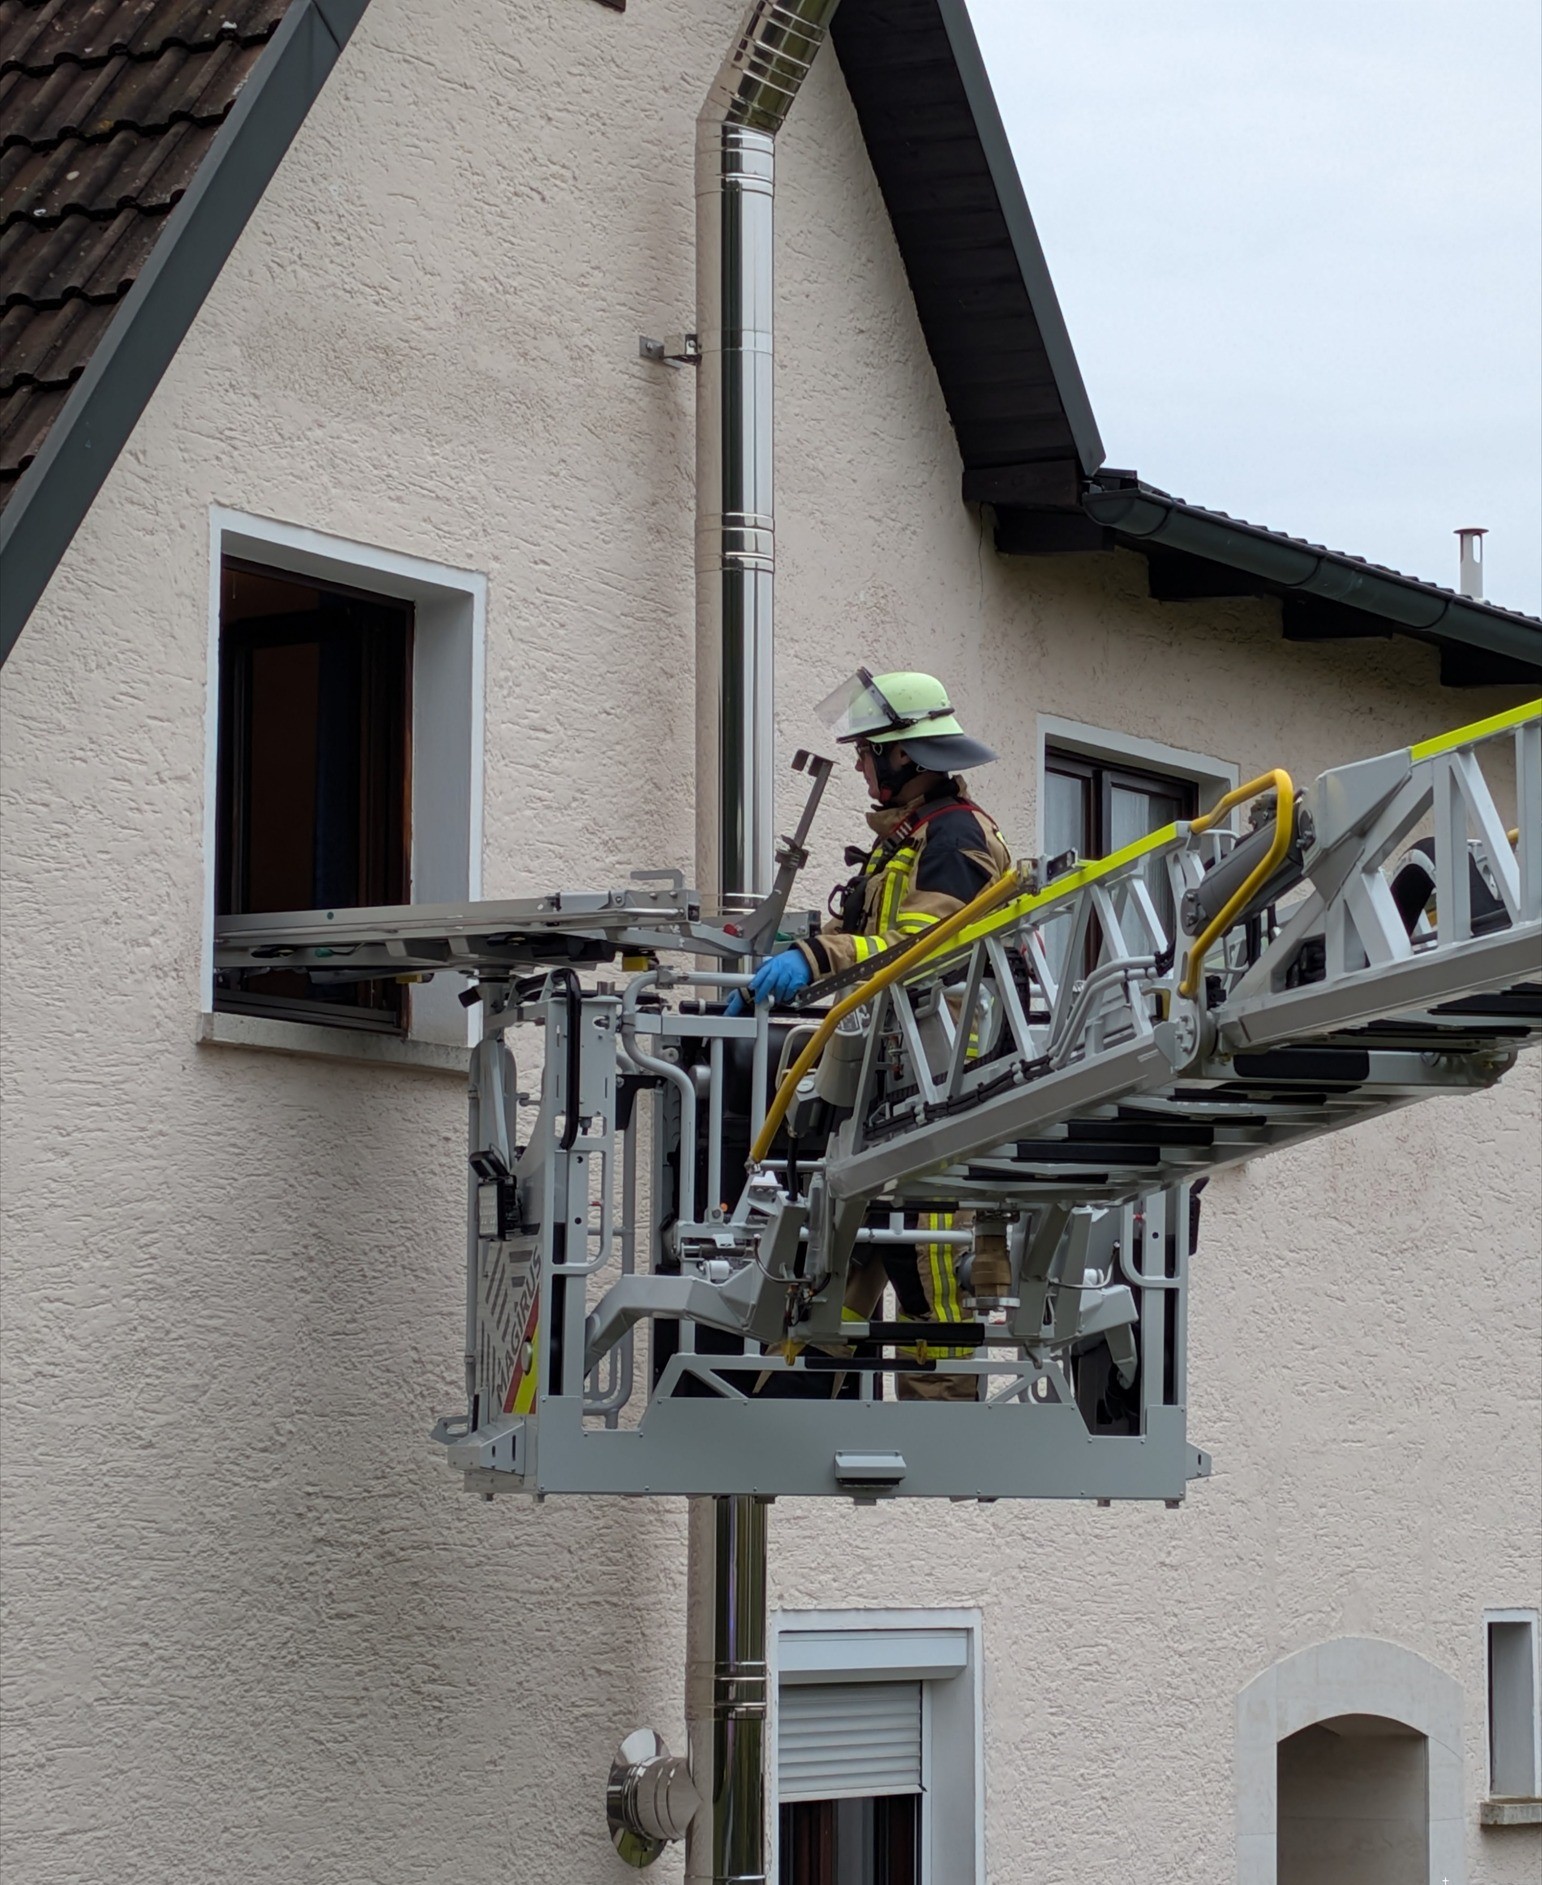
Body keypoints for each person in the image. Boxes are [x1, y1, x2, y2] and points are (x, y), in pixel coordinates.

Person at [739, 669, 1013, 1400]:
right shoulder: (908, 839)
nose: (860, 764)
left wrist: (813, 959)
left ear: (906, 756)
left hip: (948, 1077)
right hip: (897, 1079)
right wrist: (774, 962)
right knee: (839, 1250)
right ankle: (793, 1398)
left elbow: (919, 944)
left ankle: (944, 1414)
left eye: (867, 751)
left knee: (928, 1263)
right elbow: (854, 930)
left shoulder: (955, 836)